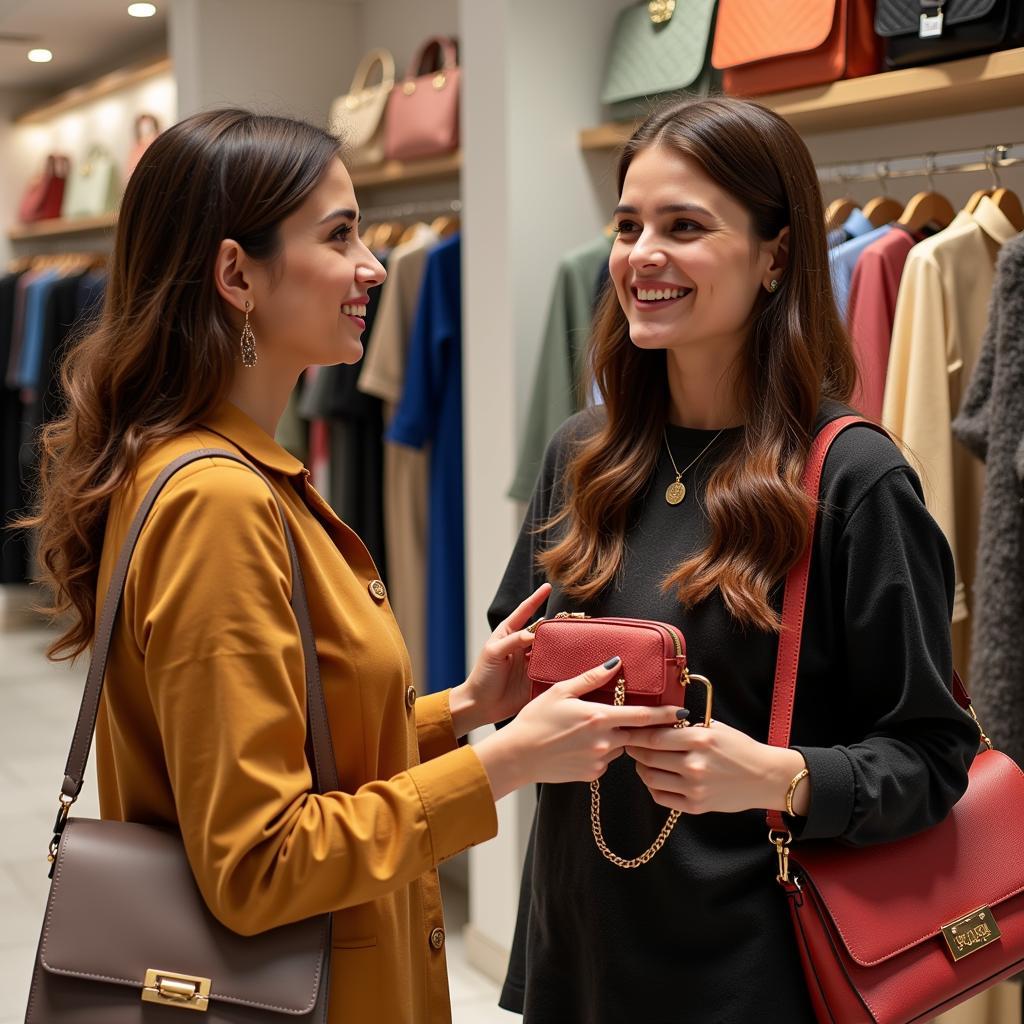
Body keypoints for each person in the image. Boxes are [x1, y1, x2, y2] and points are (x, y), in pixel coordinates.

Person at [24, 109, 687, 1024]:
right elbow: (259, 862)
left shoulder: (227, 470)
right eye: (340, 237)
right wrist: (504, 764)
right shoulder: (219, 502)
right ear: (235, 274)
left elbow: (295, 749)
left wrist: (464, 711)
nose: (374, 266)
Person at [488, 96, 981, 1023]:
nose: (642, 256)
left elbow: (933, 758)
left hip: (749, 977)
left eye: (685, 227)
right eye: (629, 225)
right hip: (578, 957)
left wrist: (779, 776)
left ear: (776, 256)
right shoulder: (584, 454)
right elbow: (530, 680)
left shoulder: (852, 480)